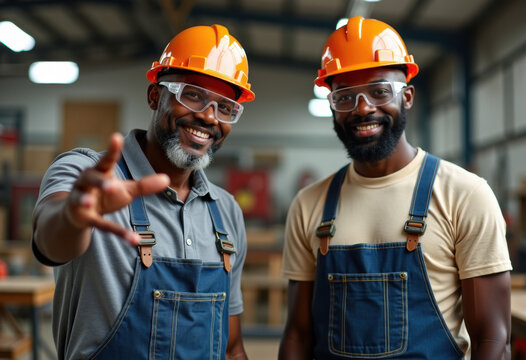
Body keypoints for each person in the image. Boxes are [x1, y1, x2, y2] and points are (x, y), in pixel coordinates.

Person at [279, 16, 512, 359]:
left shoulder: (465, 195)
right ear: (332, 106)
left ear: (408, 97)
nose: (363, 108)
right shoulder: (309, 204)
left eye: (379, 91)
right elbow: (298, 336)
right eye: (344, 97)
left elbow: (493, 338)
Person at [32, 24, 255, 360]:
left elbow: (231, 347)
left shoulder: (226, 211)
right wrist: (73, 216)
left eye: (226, 108)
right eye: (192, 94)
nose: (209, 117)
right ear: (155, 96)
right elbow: (50, 240)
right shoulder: (84, 174)